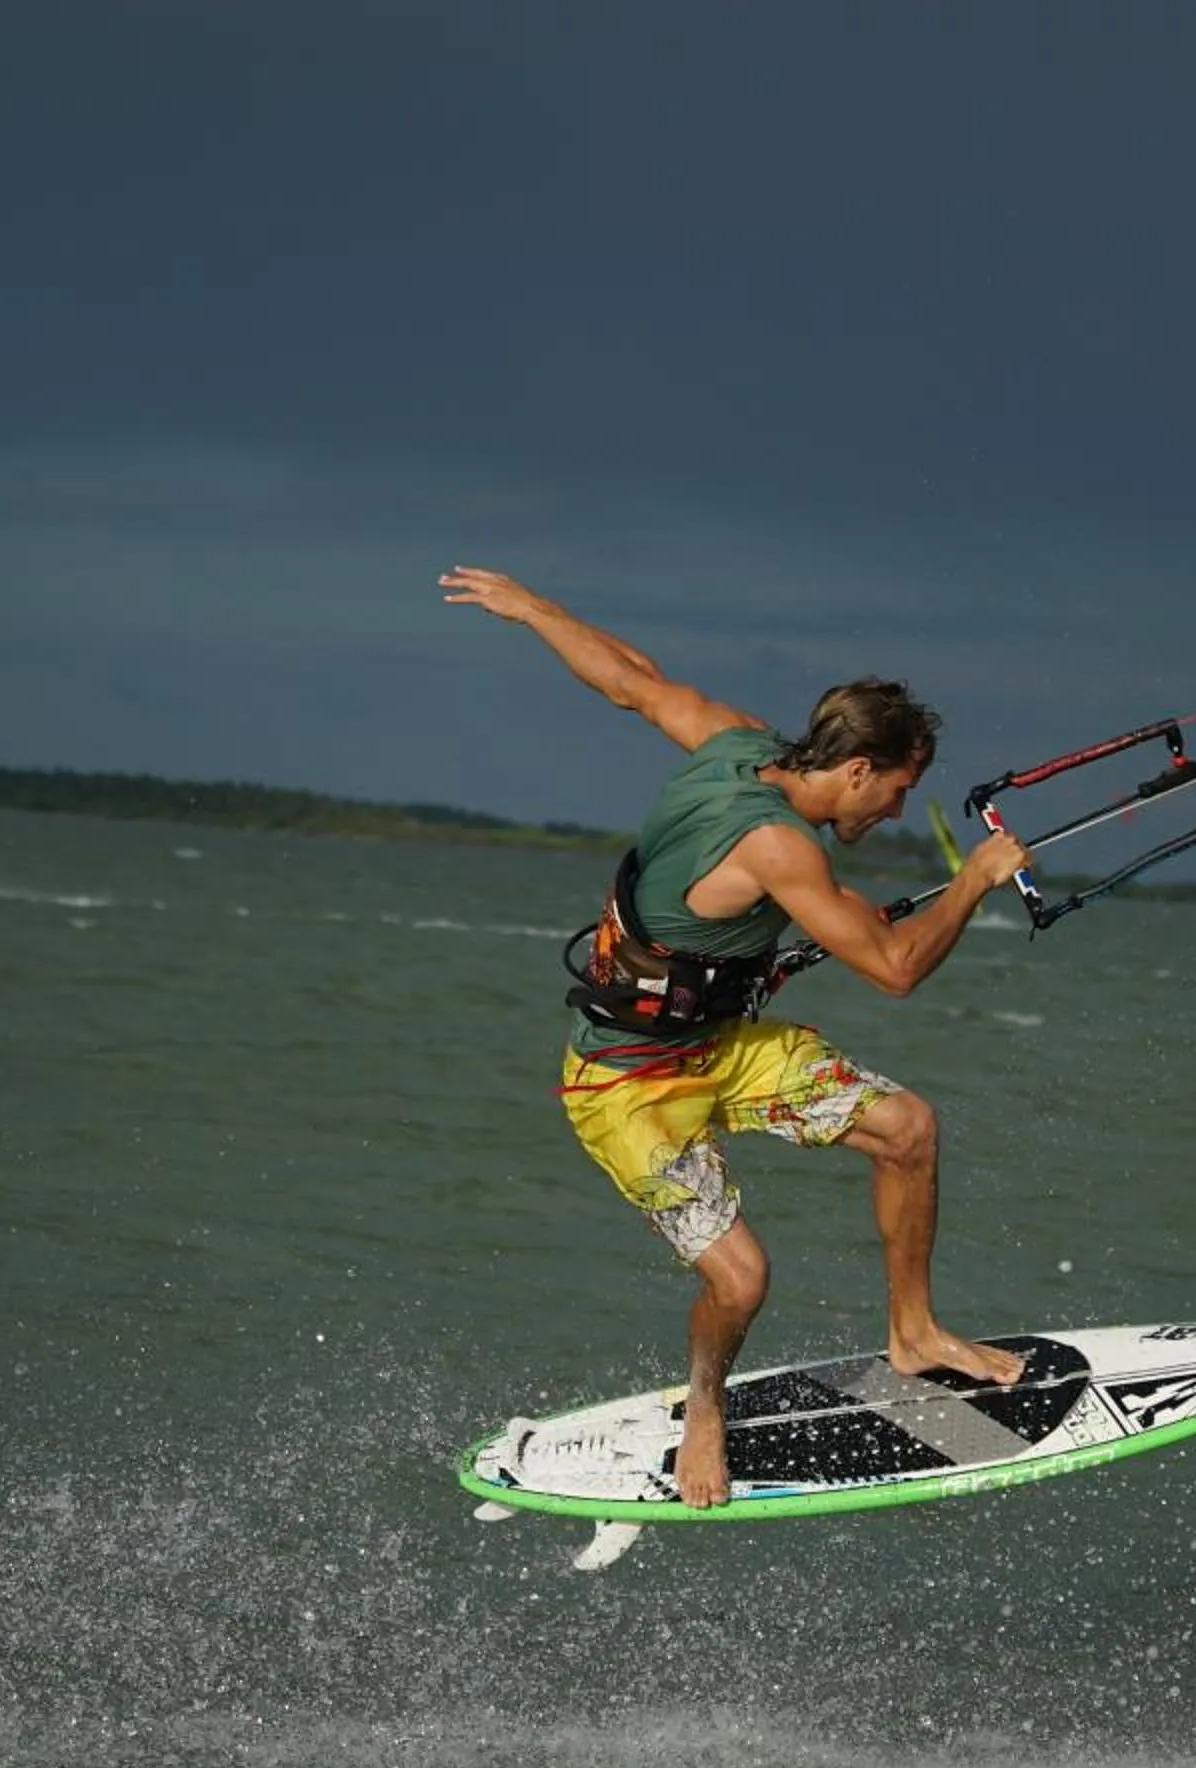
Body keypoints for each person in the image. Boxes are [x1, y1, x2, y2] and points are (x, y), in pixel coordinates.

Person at [442, 565, 1033, 1508]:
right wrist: (972, 882)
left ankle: (915, 1333)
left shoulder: (734, 743)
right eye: (896, 790)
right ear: (856, 769)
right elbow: (895, 969)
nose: (893, 811)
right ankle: (705, 1409)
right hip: (625, 1084)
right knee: (742, 1278)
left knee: (907, 1129)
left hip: (719, 1048)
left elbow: (629, 679)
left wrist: (534, 608)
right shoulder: (779, 846)